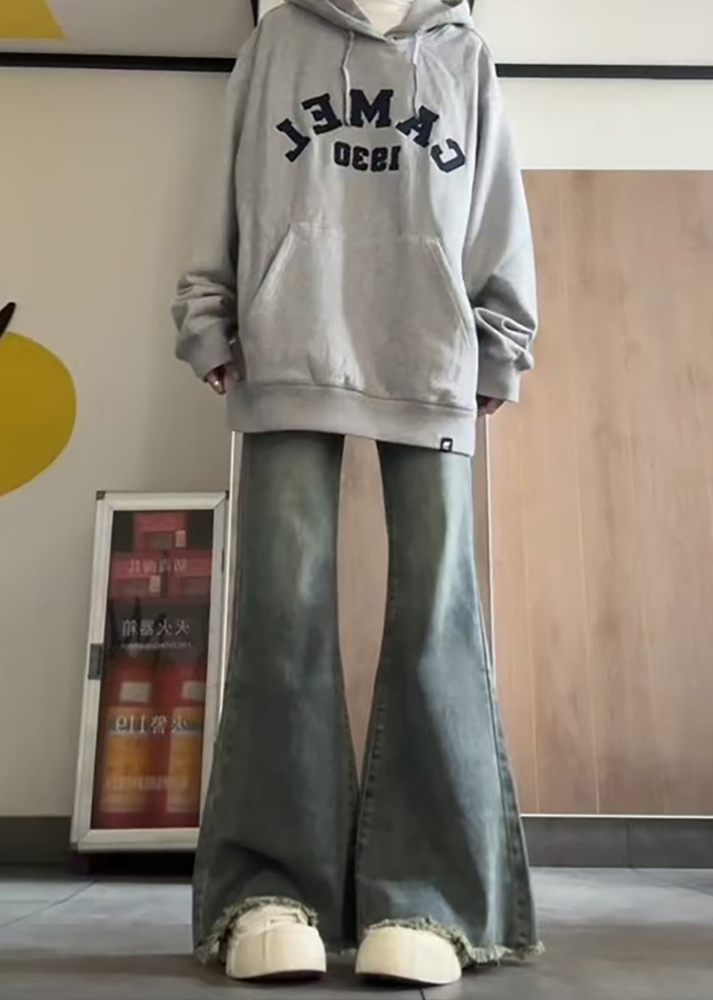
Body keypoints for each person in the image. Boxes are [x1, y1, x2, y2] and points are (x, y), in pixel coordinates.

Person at [172, 0, 539, 986]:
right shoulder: (279, 40)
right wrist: (209, 315)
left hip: (430, 353)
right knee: (280, 612)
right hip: (289, 343)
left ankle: (434, 898)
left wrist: (501, 340)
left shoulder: (462, 53)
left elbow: (498, 208)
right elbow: (224, 185)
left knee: (436, 620)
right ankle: (268, 889)